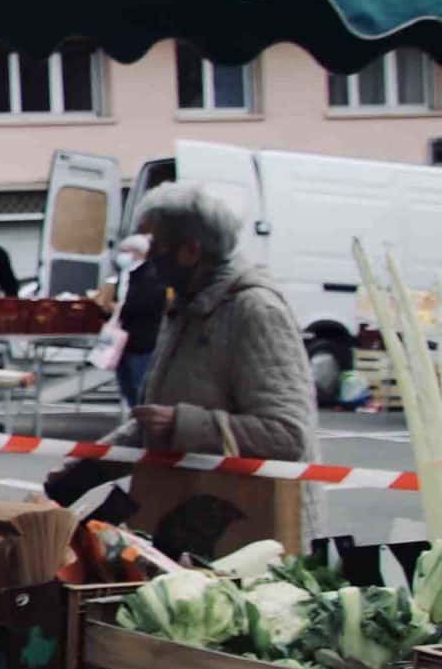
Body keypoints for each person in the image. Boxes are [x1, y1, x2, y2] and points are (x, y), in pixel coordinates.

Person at [94, 184, 313, 464]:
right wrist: (81, 468)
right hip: (193, 500)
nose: (148, 257)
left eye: (157, 246)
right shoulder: (187, 307)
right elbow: (154, 427)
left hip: (248, 505)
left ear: (190, 251)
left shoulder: (256, 310)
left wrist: (181, 424)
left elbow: (288, 435)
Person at [99, 231, 170, 412]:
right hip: (124, 343)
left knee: (140, 388)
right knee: (128, 388)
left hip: (142, 343)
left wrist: (120, 309)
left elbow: (143, 305)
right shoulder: (125, 275)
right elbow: (107, 302)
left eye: (125, 251)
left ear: (138, 252)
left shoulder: (151, 276)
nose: (121, 256)